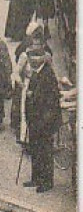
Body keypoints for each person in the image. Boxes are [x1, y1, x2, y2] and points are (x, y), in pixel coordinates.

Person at [24, 45, 62, 193]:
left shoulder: (48, 75)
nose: (32, 61)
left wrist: (43, 122)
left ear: (41, 60)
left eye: (34, 58)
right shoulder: (36, 73)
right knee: (35, 148)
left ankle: (46, 181)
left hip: (45, 121)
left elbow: (51, 102)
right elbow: (31, 93)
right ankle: (36, 178)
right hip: (35, 119)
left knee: (45, 150)